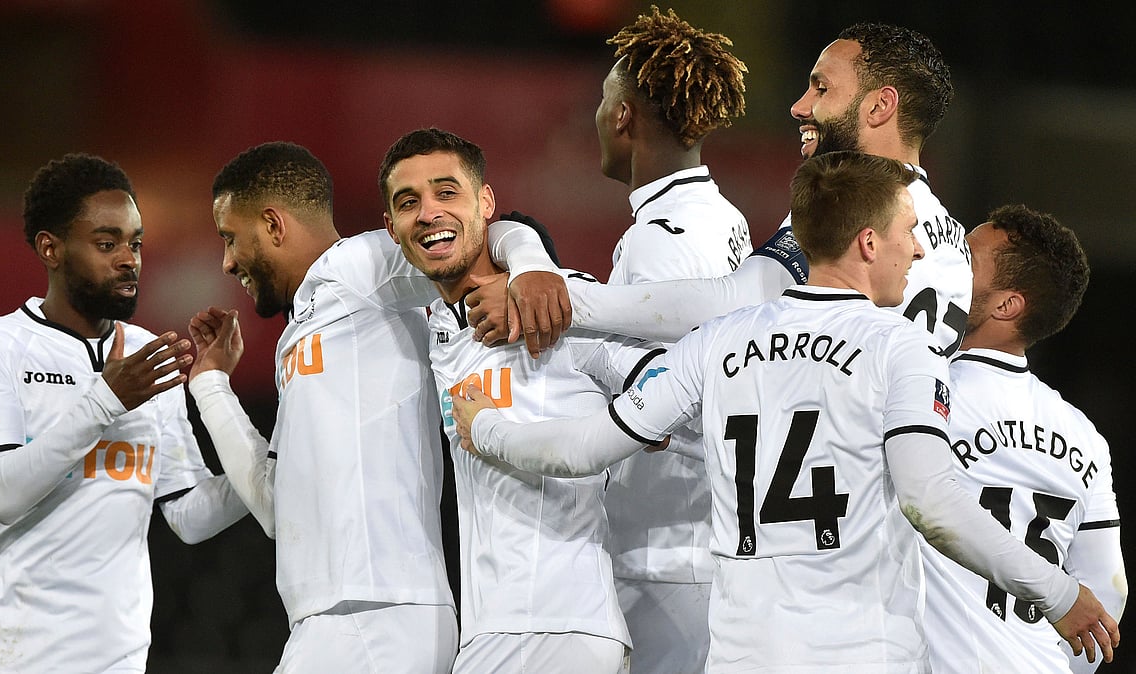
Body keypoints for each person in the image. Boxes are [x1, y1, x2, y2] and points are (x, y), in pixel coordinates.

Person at [452, 151, 1120, 671]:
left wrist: (486, 428)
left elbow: (585, 449)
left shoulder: (717, 341)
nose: (918, 252)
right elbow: (930, 500)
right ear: (866, 241)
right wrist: (1057, 594)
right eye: (909, 233)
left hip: (742, 657)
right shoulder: (901, 349)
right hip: (860, 658)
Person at [183, 141, 576, 672]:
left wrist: (530, 266)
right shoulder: (293, 340)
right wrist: (210, 386)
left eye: (231, 237)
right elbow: (276, 507)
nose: (228, 261)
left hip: (382, 611)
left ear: (273, 226)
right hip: (328, 619)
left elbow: (487, 234)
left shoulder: (360, 267)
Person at [470, 23, 971, 354]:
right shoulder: (953, 240)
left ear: (880, 107)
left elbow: (738, 301)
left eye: (821, 88)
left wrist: (556, 298)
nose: (799, 107)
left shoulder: (860, 216)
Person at [0, 153, 249, 672]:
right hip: (0, 659)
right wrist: (106, 399)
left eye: (135, 243)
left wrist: (281, 457)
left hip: (117, 664)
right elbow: (1, 494)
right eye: (107, 244)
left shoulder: (150, 356)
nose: (129, 259)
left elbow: (192, 515)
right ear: (51, 248)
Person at [379, 126, 664, 672]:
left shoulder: (559, 305)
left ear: (485, 202)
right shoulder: (436, 328)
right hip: (490, 631)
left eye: (447, 192)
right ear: (392, 228)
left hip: (564, 628)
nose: (429, 213)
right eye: (408, 202)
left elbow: (661, 386)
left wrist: (534, 268)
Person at [590, 7, 751, 672]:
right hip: (699, 549)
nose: (596, 117)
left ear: (625, 115)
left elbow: (668, 392)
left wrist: (565, 341)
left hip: (667, 561)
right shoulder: (722, 217)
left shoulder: (667, 238)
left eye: (603, 100)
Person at [920, 204, 1126, 673]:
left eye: (965, 258)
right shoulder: (1085, 436)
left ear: (1006, 305)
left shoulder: (923, 390)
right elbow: (1108, 589)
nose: (945, 260)